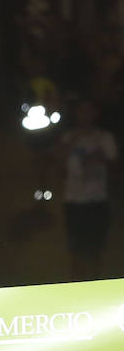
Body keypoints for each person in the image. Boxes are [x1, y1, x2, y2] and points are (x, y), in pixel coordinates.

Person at [56, 98, 116, 281]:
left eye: (89, 110)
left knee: (96, 247)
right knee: (76, 248)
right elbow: (59, 165)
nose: (85, 115)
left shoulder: (105, 138)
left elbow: (114, 164)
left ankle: (94, 282)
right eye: (82, 111)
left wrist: (99, 159)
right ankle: (77, 283)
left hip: (98, 200)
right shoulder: (68, 137)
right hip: (74, 200)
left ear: (95, 113)